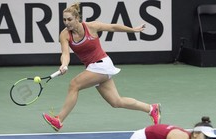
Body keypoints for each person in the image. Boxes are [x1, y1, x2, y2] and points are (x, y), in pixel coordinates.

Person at [42, 2, 161, 131]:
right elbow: (65, 54)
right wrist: (64, 64)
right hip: (93, 68)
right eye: (64, 19)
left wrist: (133, 30)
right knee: (116, 102)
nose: (66, 22)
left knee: (74, 85)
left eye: (69, 19)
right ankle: (151, 109)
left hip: (102, 64)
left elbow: (113, 27)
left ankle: (59, 119)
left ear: (77, 18)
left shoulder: (91, 26)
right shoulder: (64, 34)